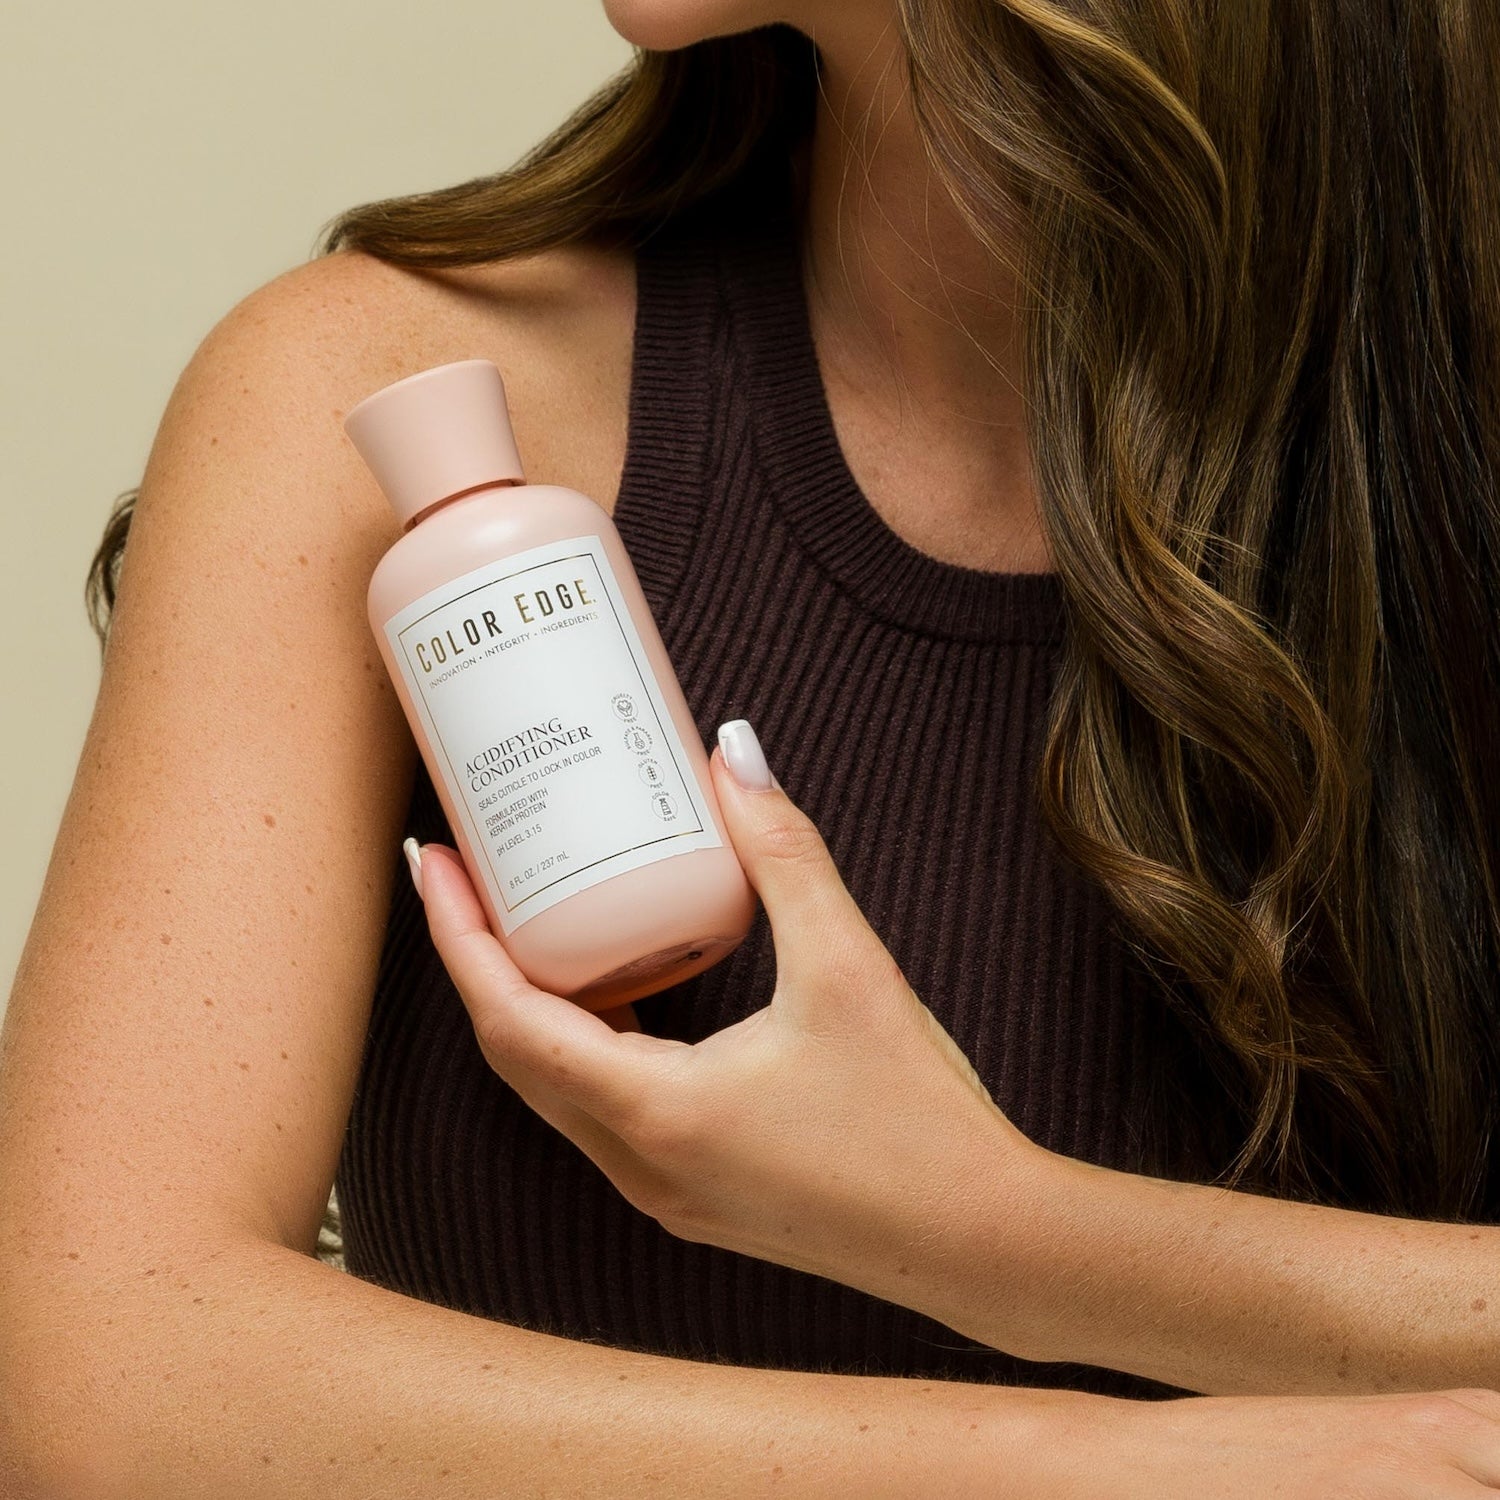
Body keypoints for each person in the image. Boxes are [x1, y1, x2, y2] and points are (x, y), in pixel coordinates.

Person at [4, 0, 1500, 1494]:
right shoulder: (375, 398)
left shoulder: (1449, 469)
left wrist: (993, 1230)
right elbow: (94, 1370)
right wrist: (1131, 1467)